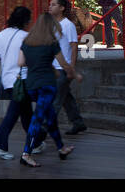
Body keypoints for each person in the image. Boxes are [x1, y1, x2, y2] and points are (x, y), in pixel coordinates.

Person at [17, 11, 82, 168]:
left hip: (31, 85)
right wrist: (75, 74)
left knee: (51, 118)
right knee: (38, 119)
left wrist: (38, 64)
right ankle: (26, 154)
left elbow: (20, 62)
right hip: (47, 86)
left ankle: (61, 148)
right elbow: (64, 64)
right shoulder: (51, 43)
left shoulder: (27, 41)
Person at [0, 5, 35, 160]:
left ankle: (38, 141)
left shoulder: (1, 35)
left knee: (26, 113)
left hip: (7, 81)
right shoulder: (26, 37)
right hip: (23, 82)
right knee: (13, 115)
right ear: (26, 21)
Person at [46, 0, 88, 135]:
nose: (50, 6)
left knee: (56, 100)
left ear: (62, 8)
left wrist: (71, 68)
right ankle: (78, 122)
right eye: (50, 4)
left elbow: (74, 47)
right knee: (65, 98)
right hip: (53, 68)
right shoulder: (51, 24)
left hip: (63, 69)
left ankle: (43, 130)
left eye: (54, 4)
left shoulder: (68, 25)